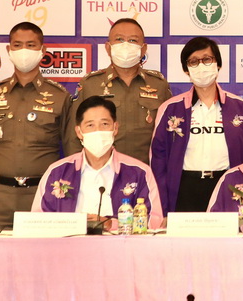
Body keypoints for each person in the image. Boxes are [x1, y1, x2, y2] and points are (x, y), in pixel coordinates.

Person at [0, 22, 71, 230]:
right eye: (17, 45)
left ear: (42, 50)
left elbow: (72, 153)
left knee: (43, 251)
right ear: (9, 50)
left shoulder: (60, 97)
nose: (23, 51)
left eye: (31, 45)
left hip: (43, 197)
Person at [150, 37, 243, 214]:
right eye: (194, 62)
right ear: (186, 70)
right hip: (185, 188)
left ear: (218, 64)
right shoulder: (171, 108)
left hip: (227, 186)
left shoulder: (240, 107)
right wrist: (163, 208)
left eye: (207, 59)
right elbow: (158, 160)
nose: (201, 66)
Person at [32, 96, 163, 229]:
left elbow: (153, 222)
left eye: (104, 124)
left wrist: (112, 224)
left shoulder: (139, 173)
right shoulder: (57, 172)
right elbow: (38, 222)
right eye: (90, 125)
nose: (98, 131)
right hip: (70, 241)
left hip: (119, 241)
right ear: (79, 132)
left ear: (115, 128)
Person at [64, 18, 172, 165]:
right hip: (102, 171)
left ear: (143, 49)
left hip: (147, 171)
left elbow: (170, 135)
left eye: (133, 40)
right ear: (108, 47)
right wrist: (77, 171)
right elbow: (73, 136)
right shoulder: (90, 84)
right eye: (119, 39)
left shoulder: (158, 84)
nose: (125, 45)